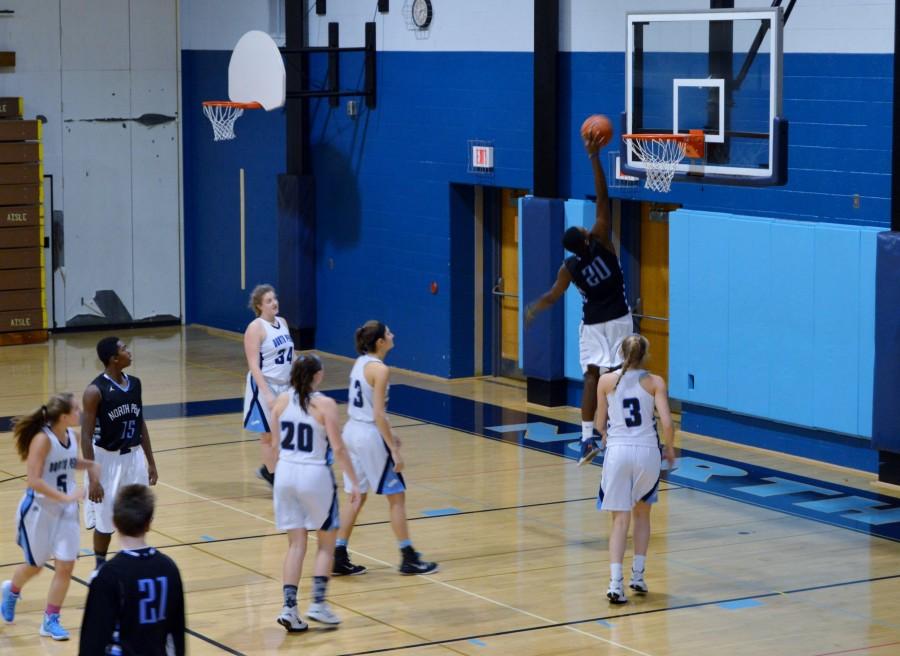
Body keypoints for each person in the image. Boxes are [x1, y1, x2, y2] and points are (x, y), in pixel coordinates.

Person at [524, 134, 632, 466]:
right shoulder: (603, 240)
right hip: (620, 317)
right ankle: (619, 430)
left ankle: (586, 438)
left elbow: (553, 296)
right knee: (622, 374)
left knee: (591, 376)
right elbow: (602, 195)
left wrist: (534, 308)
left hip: (594, 324)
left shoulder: (568, 268)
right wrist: (593, 158)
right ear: (585, 235)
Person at [332, 320, 439, 576]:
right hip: (369, 435)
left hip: (352, 431)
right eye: (389, 332)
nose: (393, 334)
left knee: (355, 496)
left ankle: (337, 554)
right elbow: (379, 414)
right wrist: (393, 448)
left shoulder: (359, 362)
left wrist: (390, 433)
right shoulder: (381, 370)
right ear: (380, 342)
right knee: (397, 496)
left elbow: (371, 410)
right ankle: (408, 557)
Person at [271, 354, 362, 632]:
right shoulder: (325, 404)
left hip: (285, 473)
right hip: (314, 474)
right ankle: (318, 604)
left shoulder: (281, 401)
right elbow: (338, 447)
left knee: (296, 545)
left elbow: (274, 444)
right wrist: (354, 481)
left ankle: (289, 607)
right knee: (325, 543)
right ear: (318, 375)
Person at [1, 393, 99, 641]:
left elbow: (68, 462)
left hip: (65, 510)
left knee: (66, 565)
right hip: (39, 510)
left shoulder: (72, 437)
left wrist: (89, 465)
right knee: (35, 566)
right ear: (64, 416)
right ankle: (11, 591)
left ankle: (51, 619)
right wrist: (65, 497)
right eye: (77, 409)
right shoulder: (41, 440)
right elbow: (33, 481)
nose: (81, 413)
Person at [594, 334, 675, 604]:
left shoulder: (606, 380)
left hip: (618, 452)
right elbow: (667, 423)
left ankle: (615, 584)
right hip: (648, 453)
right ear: (646, 354)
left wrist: (604, 434)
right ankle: (637, 576)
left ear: (621, 353)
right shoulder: (656, 382)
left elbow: (598, 421)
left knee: (619, 520)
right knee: (643, 515)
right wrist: (671, 449)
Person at [81, 336, 158, 579]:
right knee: (105, 523)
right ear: (114, 358)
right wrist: (93, 478)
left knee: (138, 513)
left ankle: (135, 563)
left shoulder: (135, 384)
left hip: (133, 458)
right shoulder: (95, 391)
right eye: (124, 348)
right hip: (106, 460)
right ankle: (99, 567)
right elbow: (85, 436)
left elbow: (140, 422)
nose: (129, 351)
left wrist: (151, 462)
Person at [79, 484, 185, 655]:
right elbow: (176, 635)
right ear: (149, 523)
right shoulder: (169, 568)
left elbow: (92, 641)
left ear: (114, 523)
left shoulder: (108, 575)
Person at [243, 284, 294, 487]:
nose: (274, 303)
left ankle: (268, 468)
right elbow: (253, 365)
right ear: (259, 306)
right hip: (264, 385)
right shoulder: (255, 328)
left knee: (285, 433)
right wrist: (267, 394)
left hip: (285, 384)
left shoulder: (282, 322)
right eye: (269, 301)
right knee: (267, 434)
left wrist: (301, 375)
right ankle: (273, 477)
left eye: (275, 298)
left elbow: (291, 354)